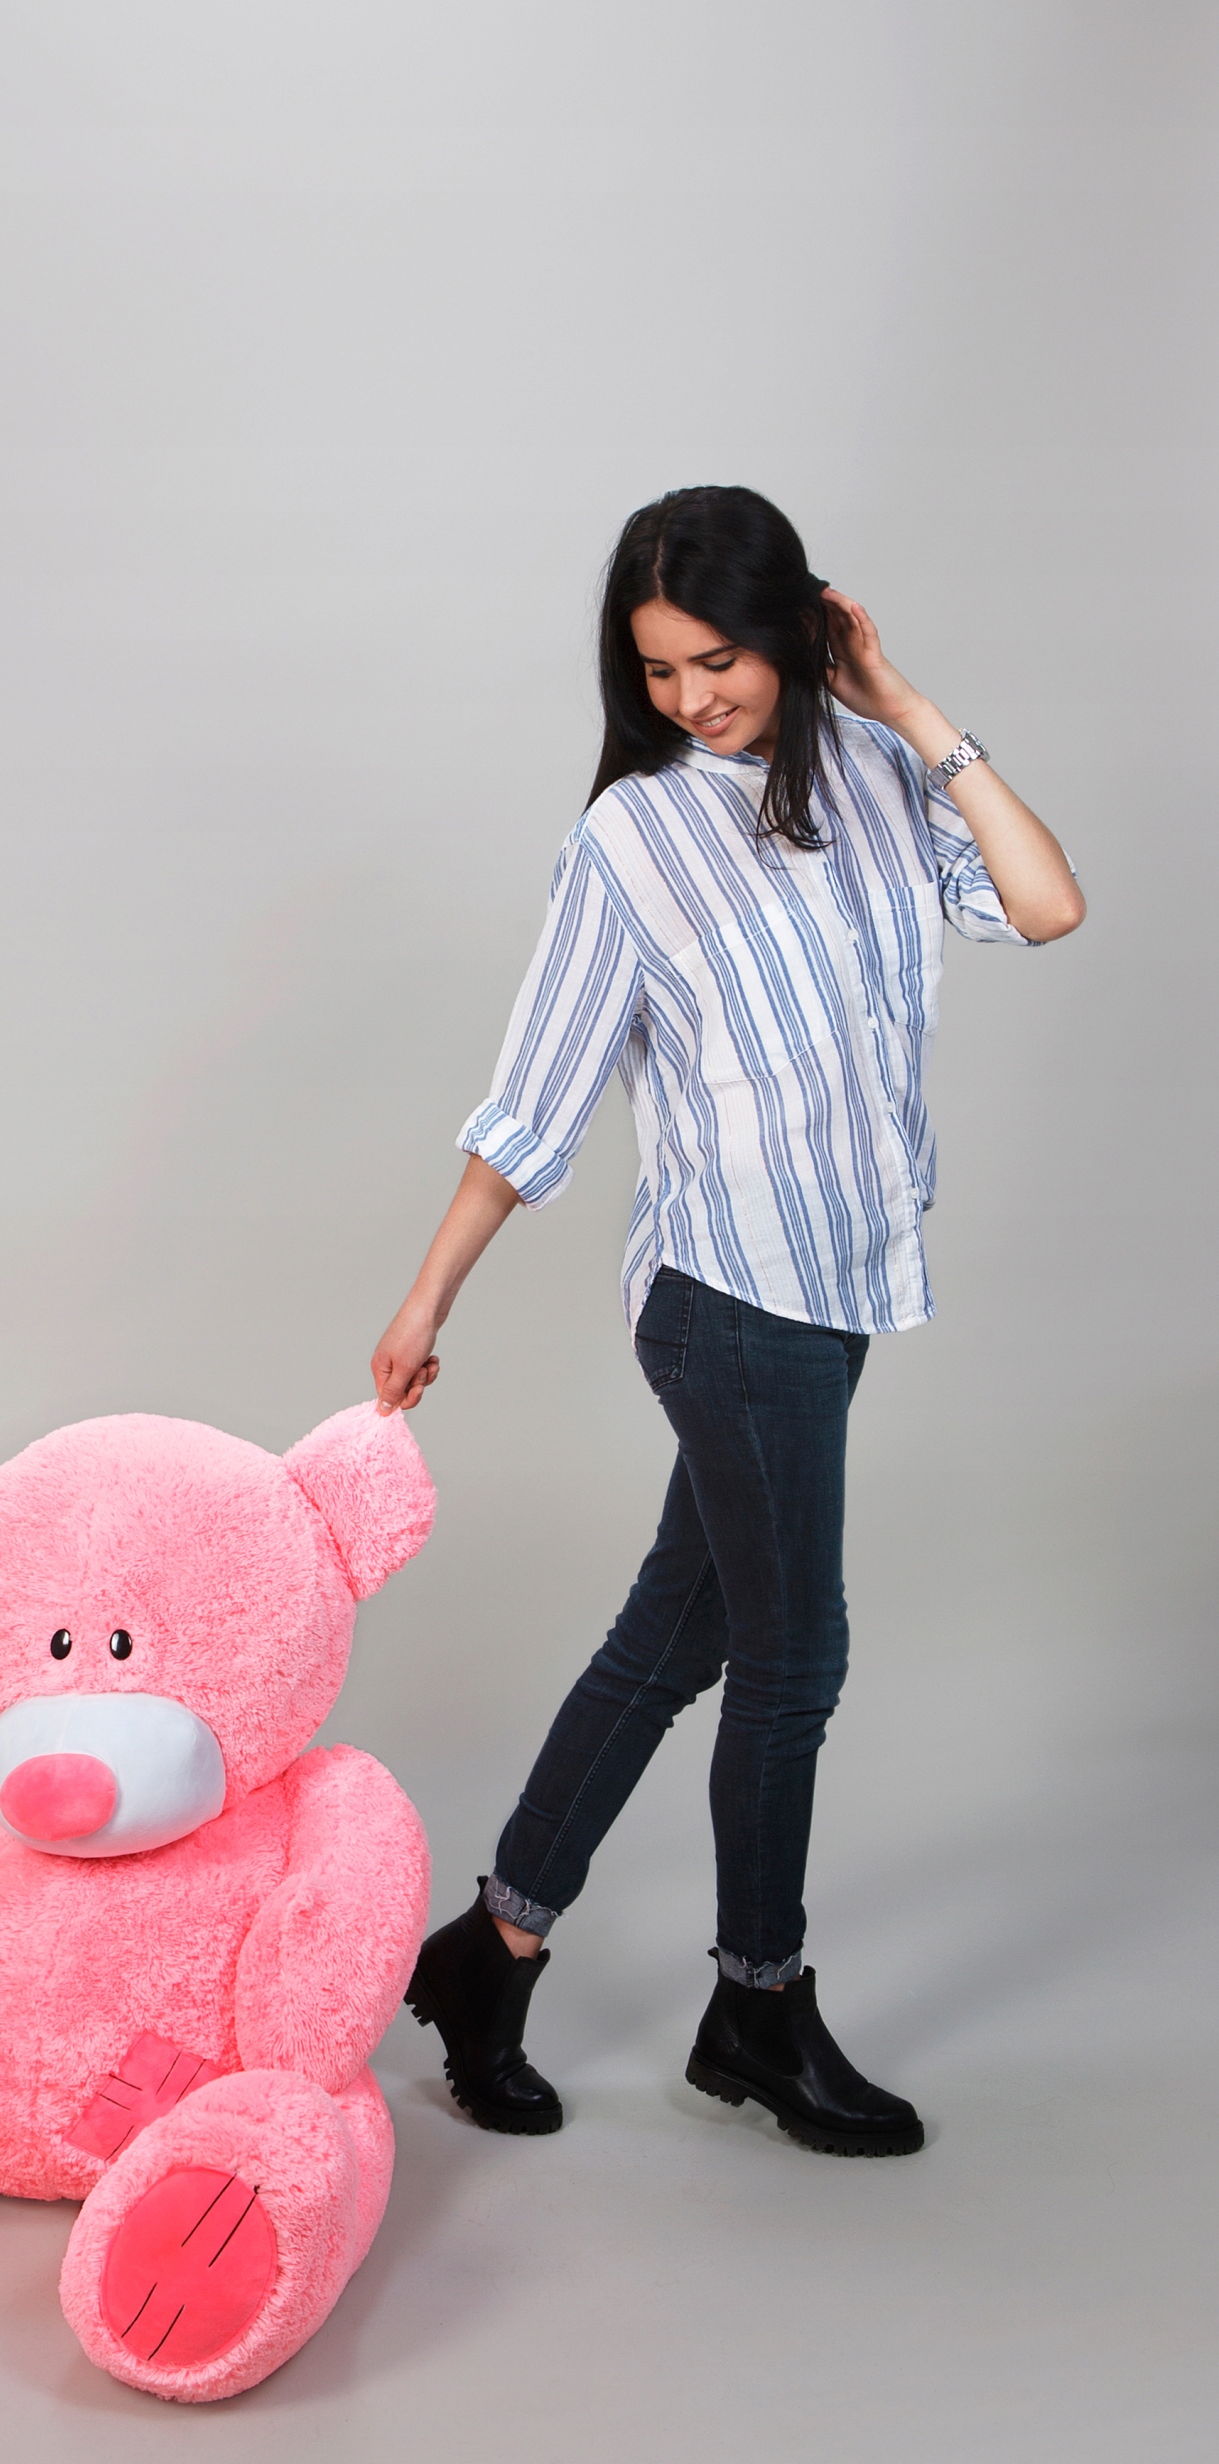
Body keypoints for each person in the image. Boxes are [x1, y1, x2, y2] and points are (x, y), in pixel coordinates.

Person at [372, 485, 1083, 2157]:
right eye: (658, 668)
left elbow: (1043, 904)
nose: (693, 696)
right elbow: (536, 1096)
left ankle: (489, 1952)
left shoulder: (878, 777)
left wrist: (902, 703)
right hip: (725, 1299)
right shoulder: (631, 842)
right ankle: (756, 2008)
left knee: (671, 1640)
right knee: (789, 1662)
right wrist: (426, 1294)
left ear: (789, 630)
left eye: (719, 658)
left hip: (836, 1289)